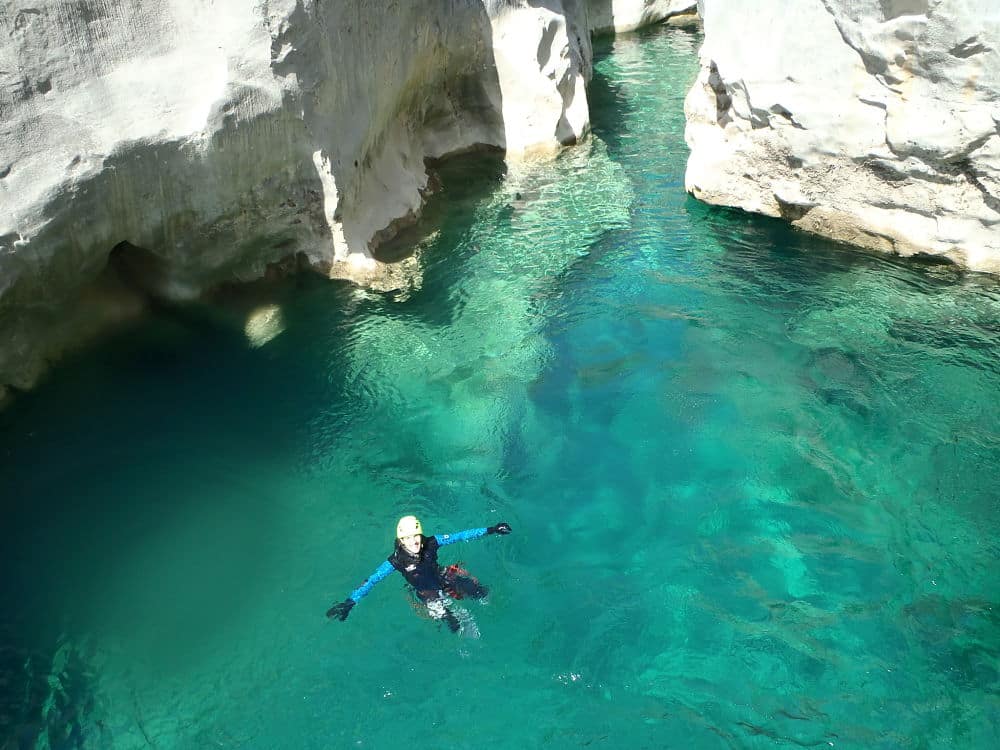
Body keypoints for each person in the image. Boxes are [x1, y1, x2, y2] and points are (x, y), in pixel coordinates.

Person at [326, 515, 512, 633]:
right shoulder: (395, 561)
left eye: (416, 535)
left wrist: (491, 529)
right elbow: (371, 581)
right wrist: (350, 602)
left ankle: (501, 617)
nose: (413, 541)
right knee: (454, 624)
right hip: (426, 592)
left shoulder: (432, 542)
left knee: (482, 592)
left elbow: (460, 535)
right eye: (407, 538)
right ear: (400, 540)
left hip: (442, 576)